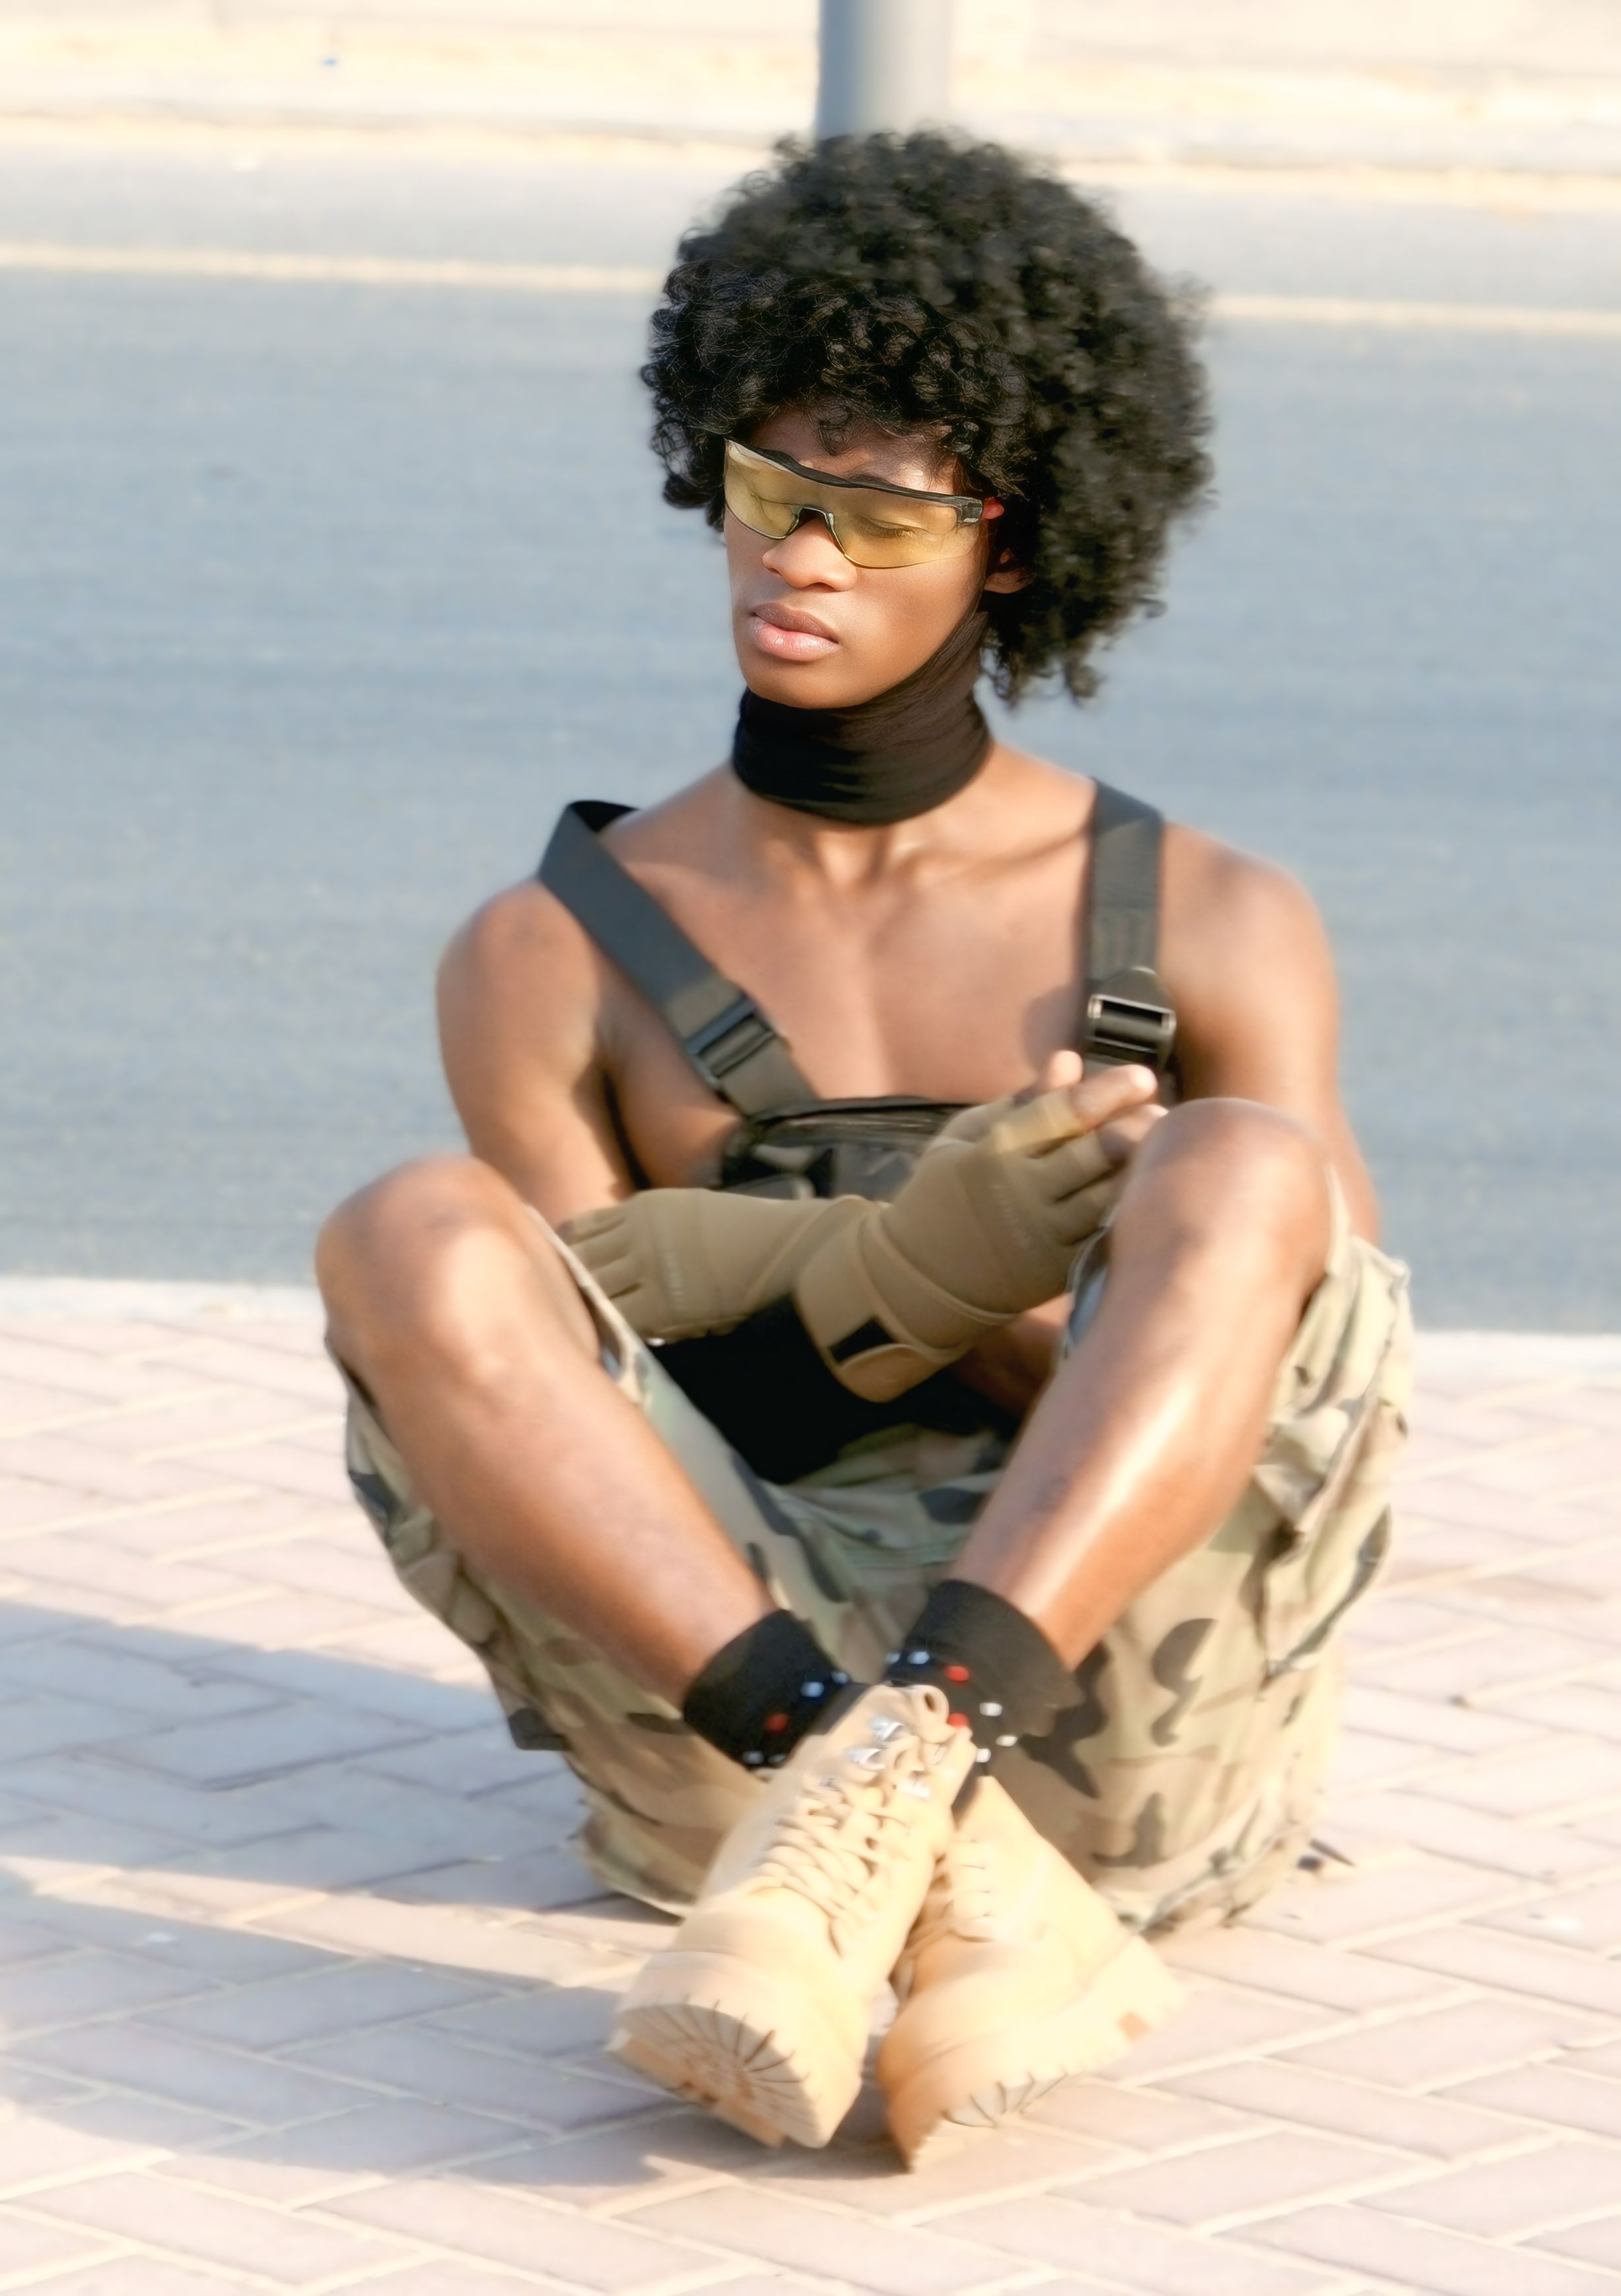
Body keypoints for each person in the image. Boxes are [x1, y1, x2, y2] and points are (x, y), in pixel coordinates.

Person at [317, 133, 1411, 2170]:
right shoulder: (556, 950)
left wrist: (992, 1295)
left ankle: (912, 1774)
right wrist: (902, 1264)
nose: (797, 559)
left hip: (1121, 1719)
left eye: (875, 515)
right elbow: (582, 1415)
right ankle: (903, 1830)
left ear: (1012, 544)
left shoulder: (1212, 918)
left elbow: (1304, 1426)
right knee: (407, 1231)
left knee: (1246, 1170)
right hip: (732, 1748)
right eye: (766, 491)